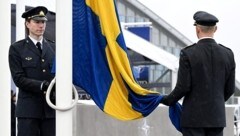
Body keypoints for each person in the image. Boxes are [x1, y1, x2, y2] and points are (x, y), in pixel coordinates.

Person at [161, 11, 235, 136]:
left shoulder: (188, 53)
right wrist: (214, 102)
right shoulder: (228, 54)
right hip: (217, 119)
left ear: (197, 29)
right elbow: (230, 89)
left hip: (193, 120)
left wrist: (167, 100)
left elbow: (183, 87)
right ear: (215, 29)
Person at [8, 6, 55, 136]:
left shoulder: (54, 48)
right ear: (27, 23)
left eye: (43, 22)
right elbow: (19, 79)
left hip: (51, 110)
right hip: (28, 112)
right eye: (37, 22)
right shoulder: (17, 48)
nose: (41, 25)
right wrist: (42, 85)